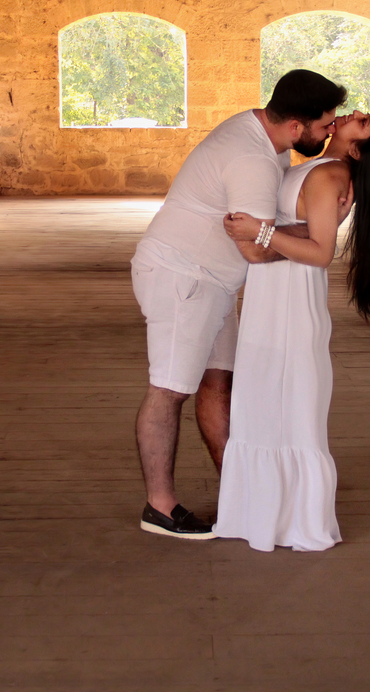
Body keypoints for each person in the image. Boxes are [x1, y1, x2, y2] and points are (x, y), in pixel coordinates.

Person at [131, 70, 348, 539]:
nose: (330, 130)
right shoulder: (253, 159)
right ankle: (160, 507)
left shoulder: (264, 136)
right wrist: (318, 233)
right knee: (169, 389)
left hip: (211, 282)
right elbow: (254, 248)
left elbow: (261, 231)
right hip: (183, 278)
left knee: (218, 384)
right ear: (296, 125)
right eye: (325, 124)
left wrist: (305, 227)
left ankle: (241, 492)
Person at [214, 113, 370, 551]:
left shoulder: (331, 175)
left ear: (357, 149)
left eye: (362, 122)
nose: (352, 114)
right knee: (265, 403)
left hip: (290, 301)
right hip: (272, 295)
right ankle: (264, 516)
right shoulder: (320, 167)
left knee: (285, 406)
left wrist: (259, 232)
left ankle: (293, 520)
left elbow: (321, 252)